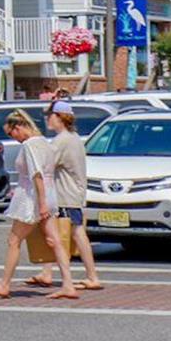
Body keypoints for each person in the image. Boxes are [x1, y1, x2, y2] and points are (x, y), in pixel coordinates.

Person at [0, 110, 78, 301]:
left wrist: (41, 203)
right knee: (55, 240)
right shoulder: (44, 142)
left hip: (32, 197)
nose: (12, 138)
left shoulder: (30, 145)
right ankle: (68, 284)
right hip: (50, 194)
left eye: (11, 133)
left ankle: (4, 284)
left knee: (14, 240)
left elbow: (37, 174)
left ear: (18, 127)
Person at [31, 100, 102, 293]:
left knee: (74, 233)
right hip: (71, 194)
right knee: (59, 232)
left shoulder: (62, 140)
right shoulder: (73, 137)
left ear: (60, 118)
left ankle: (92, 276)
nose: (47, 119)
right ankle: (47, 272)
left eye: (50, 115)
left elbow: (46, 163)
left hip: (67, 195)